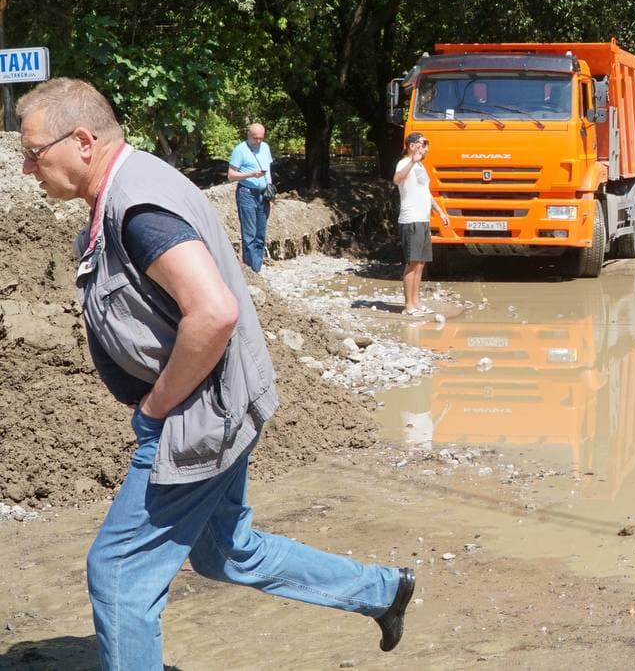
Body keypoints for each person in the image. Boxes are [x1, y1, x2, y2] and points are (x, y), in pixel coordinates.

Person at [17, 79, 415, 670]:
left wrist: (155, 410)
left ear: (81, 141)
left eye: (33, 152)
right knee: (225, 550)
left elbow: (214, 311)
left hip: (196, 418)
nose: (27, 168)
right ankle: (382, 591)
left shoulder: (139, 209)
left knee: (120, 572)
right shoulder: (130, 184)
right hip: (220, 403)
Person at [393, 132, 449, 316]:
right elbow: (397, 180)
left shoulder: (420, 166)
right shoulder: (404, 163)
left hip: (423, 219)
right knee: (412, 263)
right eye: (423, 144)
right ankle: (408, 306)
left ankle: (416, 303)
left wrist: (439, 212)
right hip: (411, 220)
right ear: (412, 146)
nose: (426, 148)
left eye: (426, 144)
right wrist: (412, 161)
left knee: (421, 263)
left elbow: (426, 192)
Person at [227, 123, 273, 272]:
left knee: (260, 234)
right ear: (248, 135)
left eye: (261, 138)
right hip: (247, 193)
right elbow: (231, 175)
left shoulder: (265, 147)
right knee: (249, 234)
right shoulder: (240, 150)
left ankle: (257, 269)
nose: (258, 141)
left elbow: (269, 169)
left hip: (263, 193)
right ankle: (250, 270)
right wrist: (251, 174)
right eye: (255, 138)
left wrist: (270, 188)